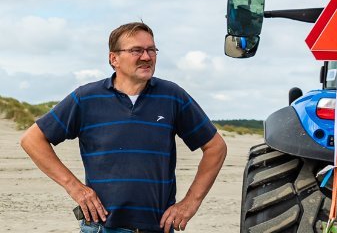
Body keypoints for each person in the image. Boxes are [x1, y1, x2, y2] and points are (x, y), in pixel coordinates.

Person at [20, 22, 227, 233]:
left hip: (156, 228)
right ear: (114, 59)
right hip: (102, 228)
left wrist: (191, 202)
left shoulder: (172, 96)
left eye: (151, 50)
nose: (146, 57)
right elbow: (32, 140)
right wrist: (75, 188)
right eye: (136, 50)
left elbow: (215, 147)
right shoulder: (87, 98)